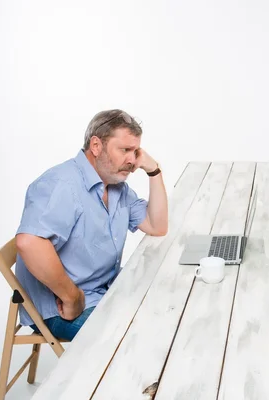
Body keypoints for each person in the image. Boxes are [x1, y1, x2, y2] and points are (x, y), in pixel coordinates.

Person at [14, 109, 168, 341]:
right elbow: (29, 242)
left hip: (105, 287)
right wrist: (72, 297)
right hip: (63, 308)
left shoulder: (116, 185)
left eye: (135, 151)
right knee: (137, 340)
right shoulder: (61, 184)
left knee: (168, 302)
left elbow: (157, 226)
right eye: (125, 150)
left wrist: (153, 170)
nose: (131, 159)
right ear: (96, 146)